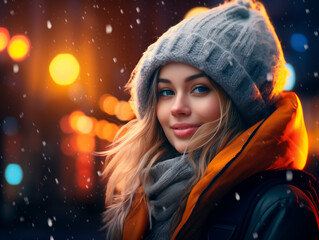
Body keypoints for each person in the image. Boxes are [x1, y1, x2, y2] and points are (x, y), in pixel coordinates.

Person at [101, 0, 319, 239]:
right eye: (166, 92)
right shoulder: (145, 194)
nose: (177, 108)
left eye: (199, 89)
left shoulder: (279, 207)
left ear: (240, 104)